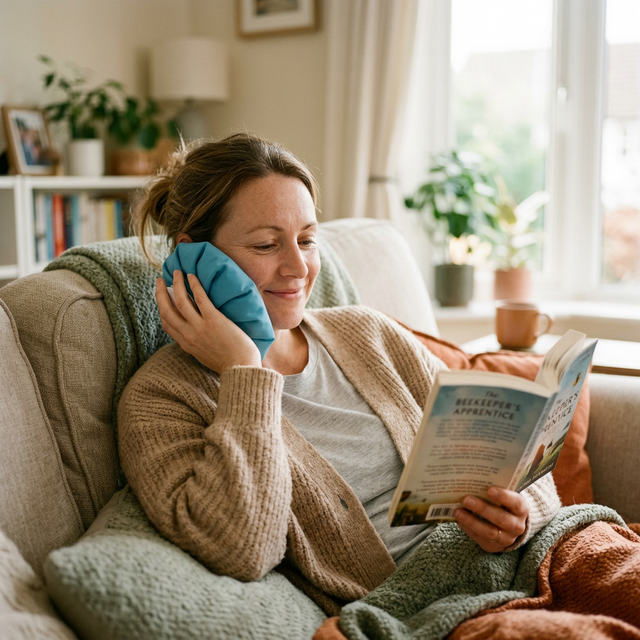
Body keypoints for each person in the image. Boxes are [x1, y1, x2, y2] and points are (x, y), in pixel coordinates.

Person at [117, 132, 560, 614]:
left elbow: (517, 460)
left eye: (307, 240)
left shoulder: (367, 332)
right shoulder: (161, 399)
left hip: (533, 561)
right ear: (194, 256)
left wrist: (522, 515)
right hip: (437, 609)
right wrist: (244, 371)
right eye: (266, 244)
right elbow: (242, 550)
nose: (298, 268)